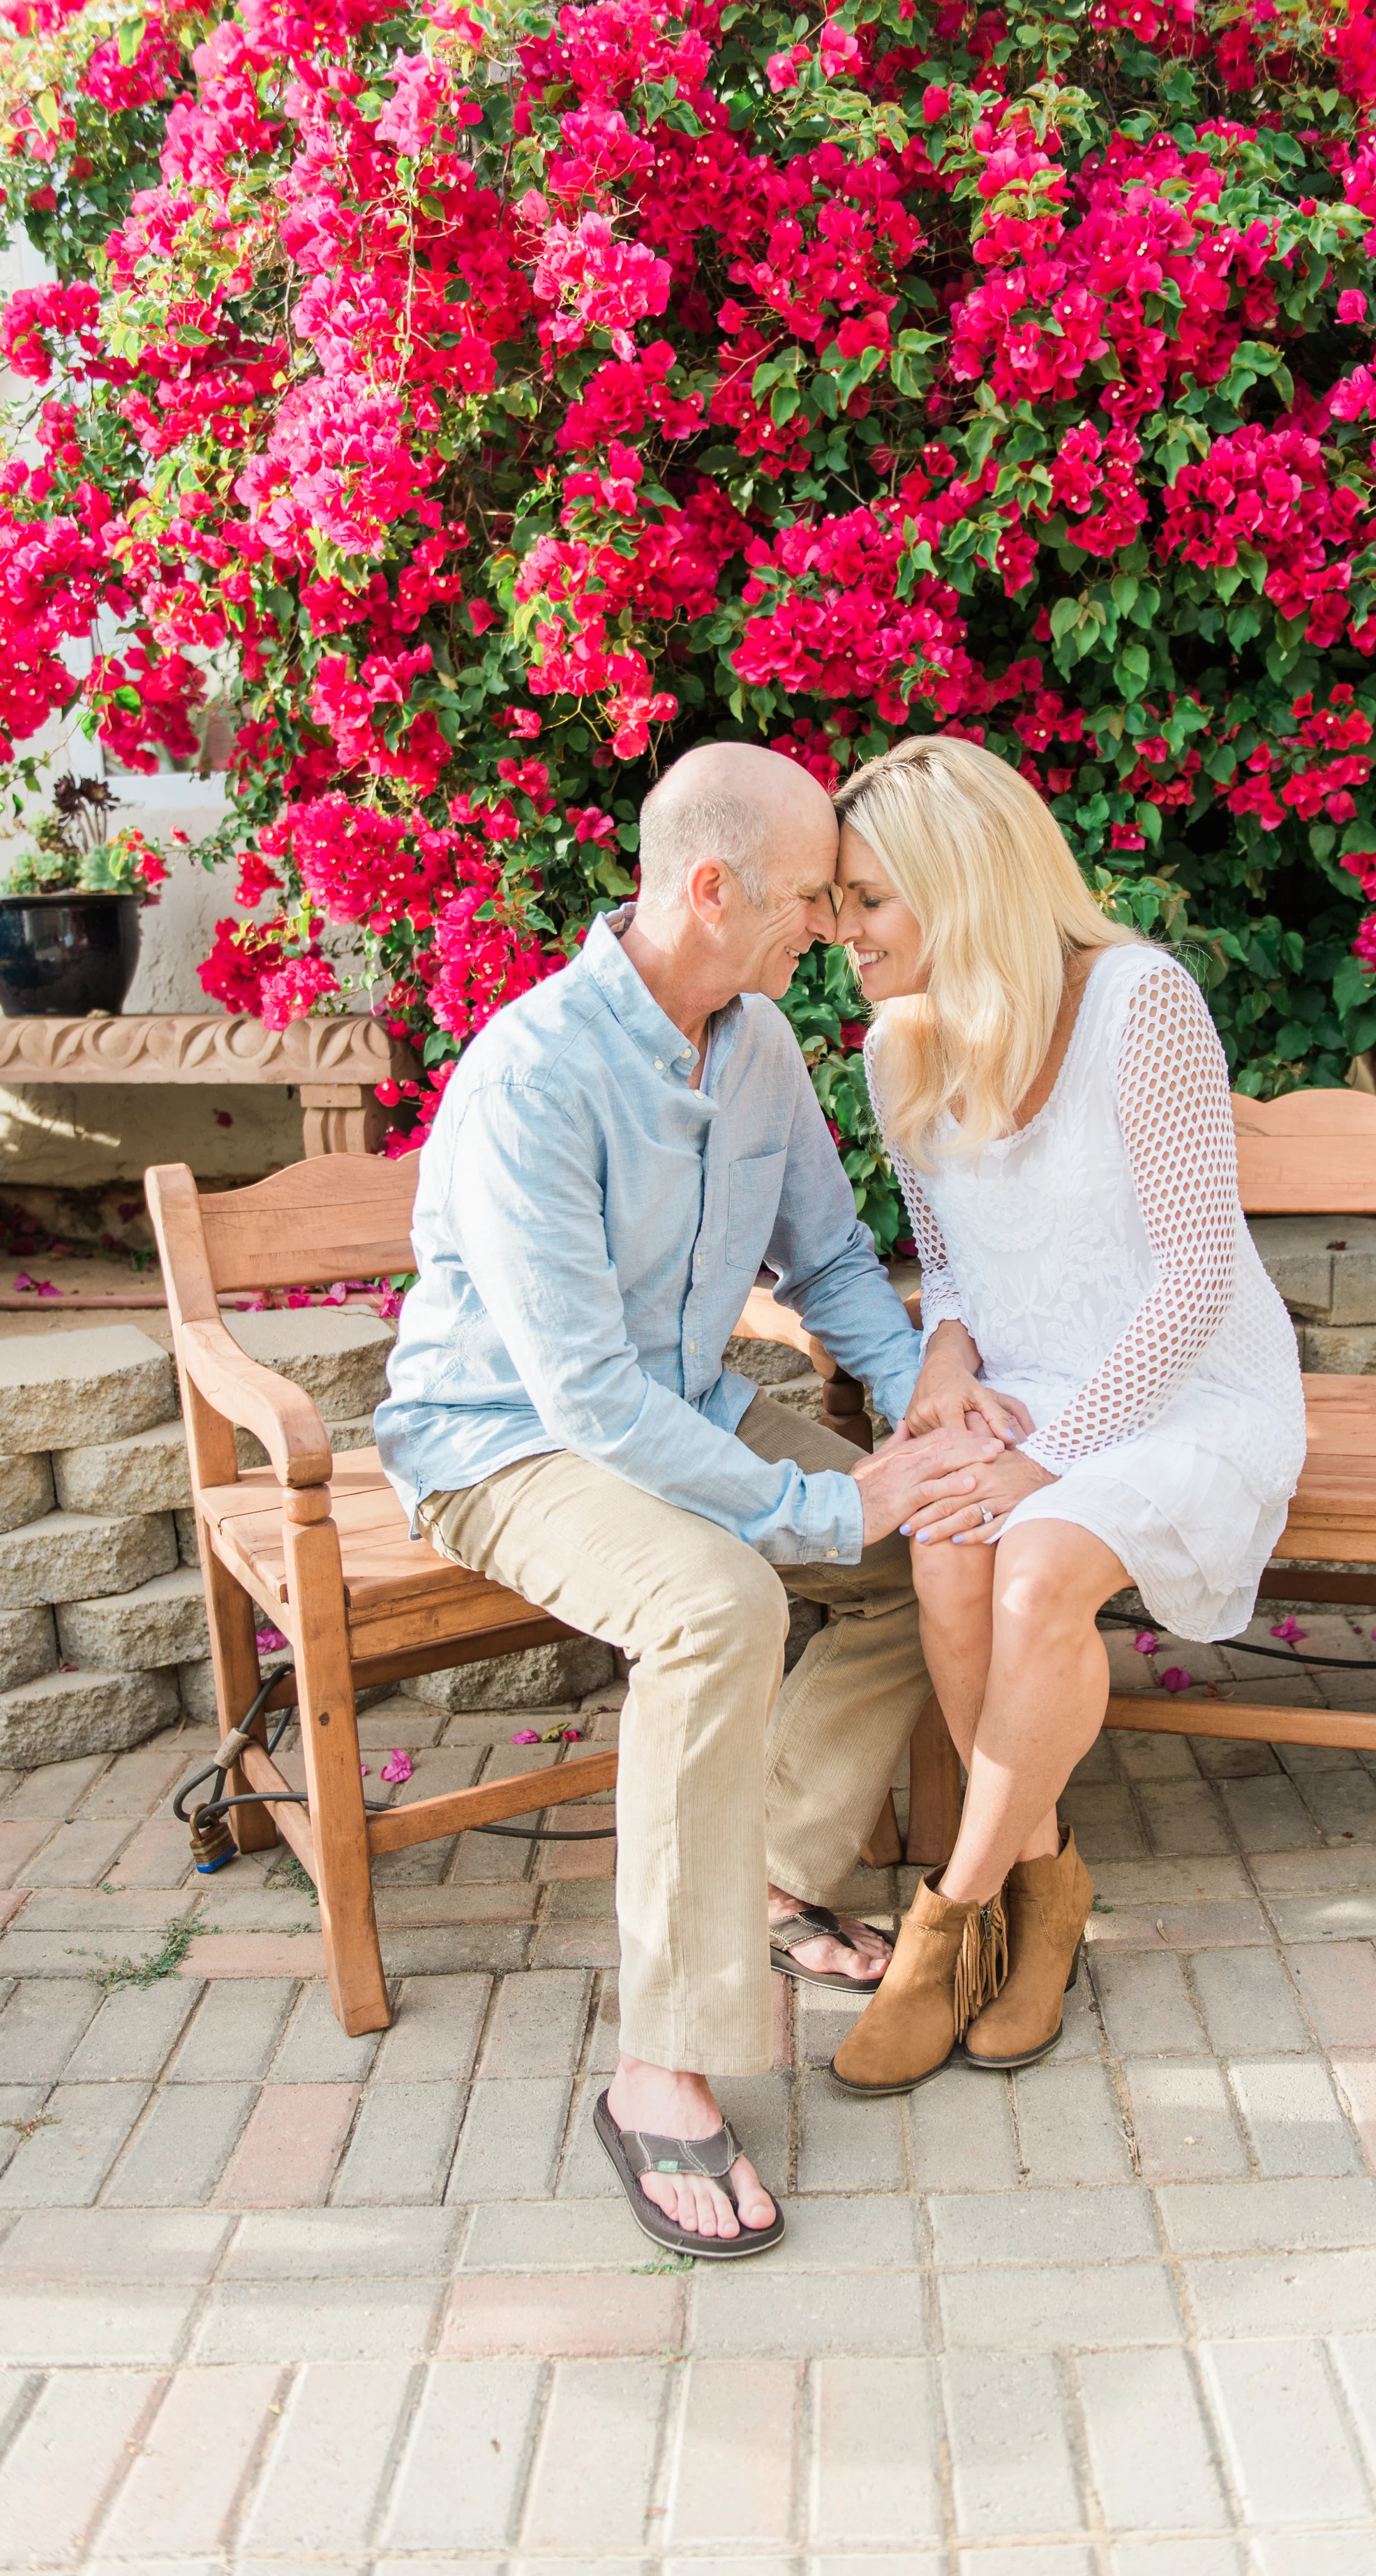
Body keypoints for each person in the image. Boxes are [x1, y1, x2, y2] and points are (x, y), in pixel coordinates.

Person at [375, 742, 998, 2256]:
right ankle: (660, 2067)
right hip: (502, 1447)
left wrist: (926, 1399)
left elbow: (834, 1264)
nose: (827, 926)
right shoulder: (534, 1072)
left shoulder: (760, 1041)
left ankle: (770, 1871)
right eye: (803, 899)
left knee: (947, 1539)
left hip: (679, 1415)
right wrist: (827, 1506)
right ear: (708, 888)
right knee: (720, 1600)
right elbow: (583, 1398)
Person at [825, 736, 1306, 2094]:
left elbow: (1195, 1274)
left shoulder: (1136, 1003)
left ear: (956, 883)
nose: (841, 933)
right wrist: (943, 1368)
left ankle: (947, 1917)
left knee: (1031, 1570)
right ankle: (1047, 1885)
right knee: (943, 1545)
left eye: (867, 899)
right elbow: (956, 1274)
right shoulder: (894, 1048)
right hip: (1025, 1383)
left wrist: (1039, 1461)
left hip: (1185, 1387)